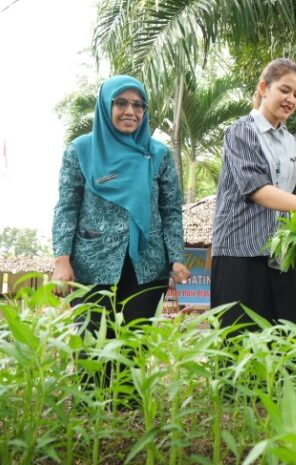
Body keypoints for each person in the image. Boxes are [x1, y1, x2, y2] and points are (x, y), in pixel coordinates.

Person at [51, 75, 188, 392]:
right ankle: (91, 421)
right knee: (92, 343)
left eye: (138, 105)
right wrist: (62, 260)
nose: (131, 111)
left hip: (147, 264)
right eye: (121, 103)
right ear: (105, 106)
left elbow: (170, 210)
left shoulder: (159, 155)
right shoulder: (81, 151)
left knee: (133, 345)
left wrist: (177, 258)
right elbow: (67, 207)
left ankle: (127, 422)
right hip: (91, 263)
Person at [210, 58, 296, 330]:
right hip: (239, 255)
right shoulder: (241, 132)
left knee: (280, 351)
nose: (291, 100)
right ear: (263, 88)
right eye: (284, 90)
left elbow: (295, 198)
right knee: (239, 349)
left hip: (281, 258)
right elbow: (257, 190)